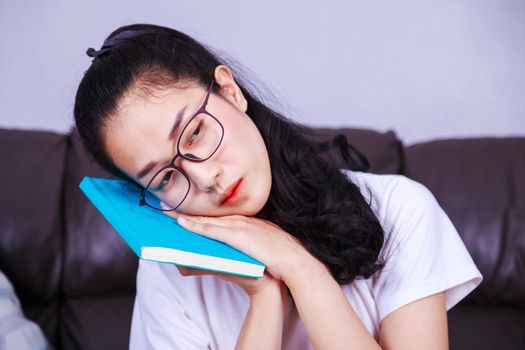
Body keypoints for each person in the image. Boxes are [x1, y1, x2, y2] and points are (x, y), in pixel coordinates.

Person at [73, 23, 483, 349]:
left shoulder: (400, 209)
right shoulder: (166, 272)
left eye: (196, 133)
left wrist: (302, 271)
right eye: (164, 177)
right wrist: (264, 295)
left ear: (230, 92)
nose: (204, 178)